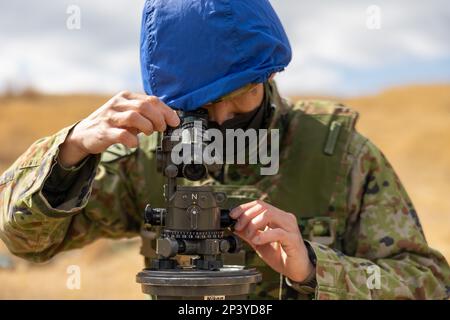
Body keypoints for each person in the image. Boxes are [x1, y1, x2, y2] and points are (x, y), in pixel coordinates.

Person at [0, 0, 448, 300]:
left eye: (243, 94)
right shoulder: (145, 159)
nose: (223, 118)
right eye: (203, 104)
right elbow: (25, 243)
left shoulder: (339, 156)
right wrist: (71, 151)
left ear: (269, 75)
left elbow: (430, 285)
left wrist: (313, 268)